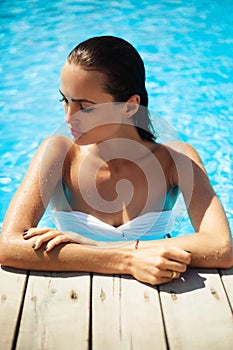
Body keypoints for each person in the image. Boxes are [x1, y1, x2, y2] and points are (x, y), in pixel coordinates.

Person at [0, 36, 232, 285]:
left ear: (130, 107)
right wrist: (126, 260)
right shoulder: (59, 153)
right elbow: (8, 245)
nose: (69, 118)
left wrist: (96, 246)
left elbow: (220, 246)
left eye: (85, 107)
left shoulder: (176, 160)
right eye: (64, 101)